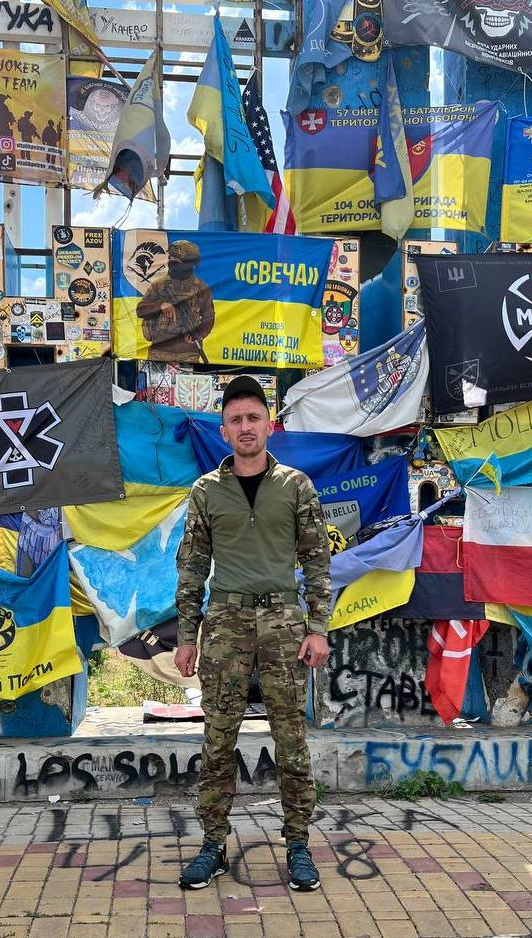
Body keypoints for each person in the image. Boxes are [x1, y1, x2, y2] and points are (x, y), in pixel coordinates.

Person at [174, 376, 331, 892]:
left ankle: (298, 845)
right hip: (225, 623)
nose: (245, 427)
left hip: (285, 623)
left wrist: (318, 627)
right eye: (236, 420)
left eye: (253, 418)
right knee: (218, 738)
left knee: (291, 739)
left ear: (270, 425)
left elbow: (317, 559)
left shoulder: (296, 486)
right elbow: (192, 567)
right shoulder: (206, 491)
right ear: (223, 431)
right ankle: (213, 845)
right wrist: (187, 636)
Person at [135, 240, 215, 362]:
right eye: (170, 260)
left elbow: (209, 318)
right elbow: (140, 310)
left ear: (189, 264)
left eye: (176, 262)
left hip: (188, 354)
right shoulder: (159, 285)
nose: (171, 265)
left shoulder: (201, 289)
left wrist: (197, 334)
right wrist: (161, 306)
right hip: (159, 352)